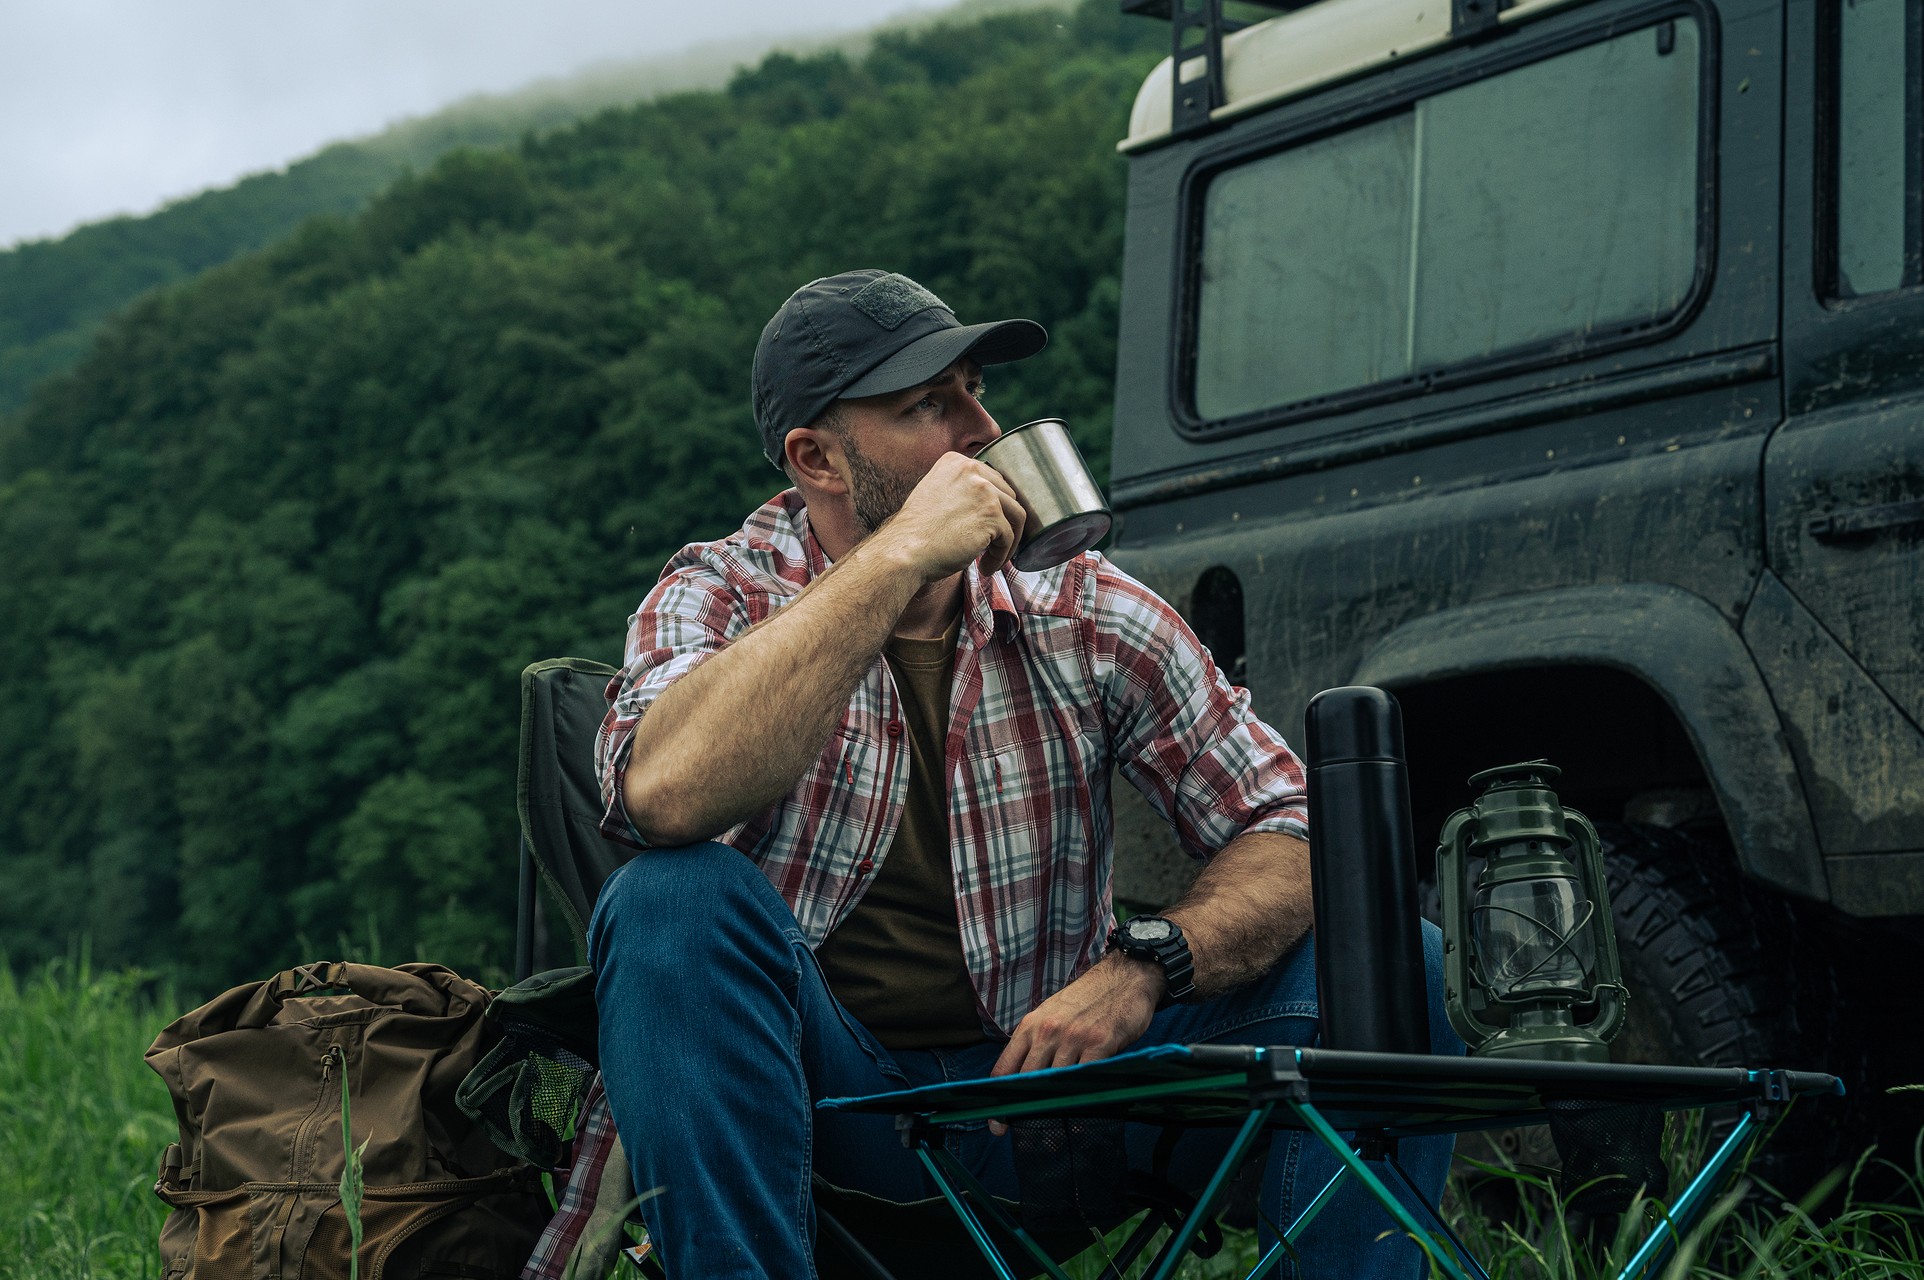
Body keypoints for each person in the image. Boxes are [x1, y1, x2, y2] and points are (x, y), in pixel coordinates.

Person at [589, 269, 1459, 1279]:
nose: (981, 430)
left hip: (1051, 1110)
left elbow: (1298, 825)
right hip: (825, 1121)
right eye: (928, 405)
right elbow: (662, 795)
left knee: (1391, 954)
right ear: (816, 458)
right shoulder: (719, 590)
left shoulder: (1082, 608)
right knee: (670, 898)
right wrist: (895, 560)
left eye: (975, 391)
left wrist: (1147, 966)